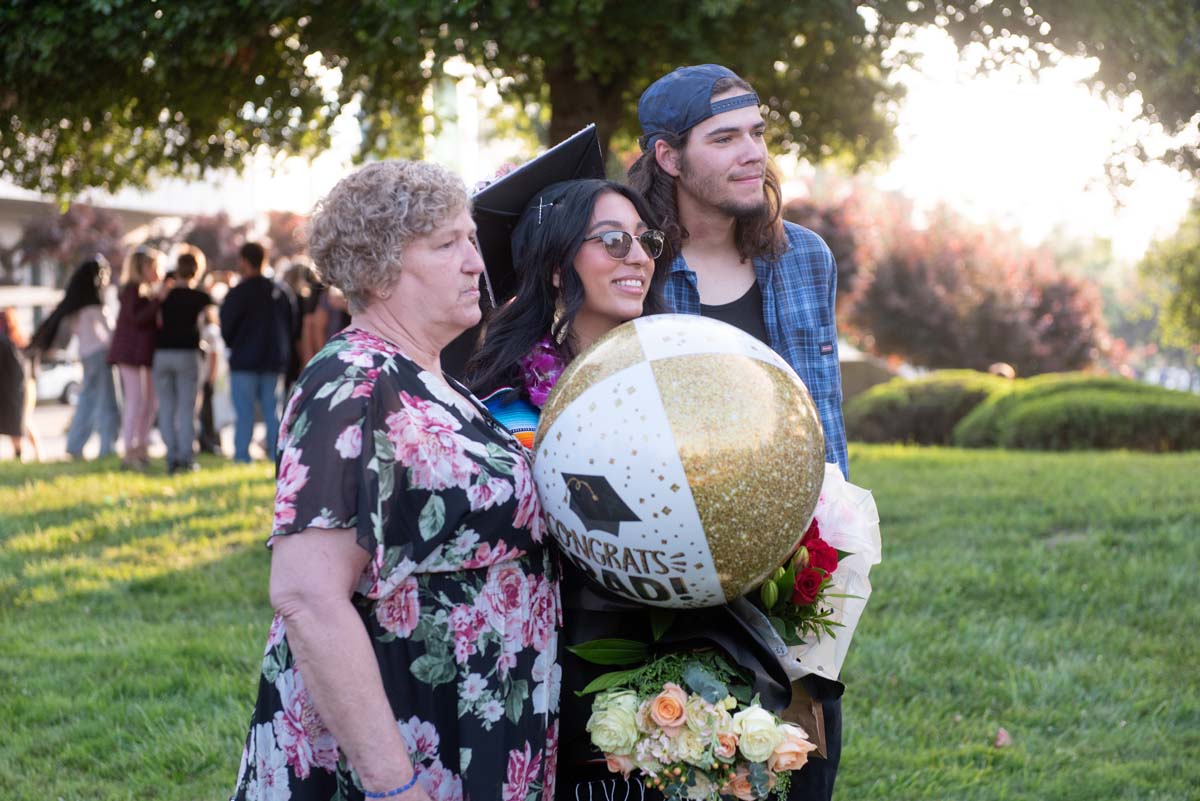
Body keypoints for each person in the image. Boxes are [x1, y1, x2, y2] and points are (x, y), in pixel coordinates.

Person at [229, 160, 558, 801]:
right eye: (446, 245)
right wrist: (393, 785)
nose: (475, 263)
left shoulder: (433, 378)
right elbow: (309, 596)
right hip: (407, 745)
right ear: (379, 269)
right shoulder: (352, 382)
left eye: (471, 240)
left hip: (475, 722)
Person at [629, 63, 850, 800]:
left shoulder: (803, 259)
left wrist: (834, 554)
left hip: (796, 572)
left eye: (757, 132)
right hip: (669, 576)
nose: (752, 151)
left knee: (805, 769)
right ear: (668, 156)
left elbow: (826, 429)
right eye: (724, 138)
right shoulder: (637, 272)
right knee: (689, 774)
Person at [466, 178, 669, 445]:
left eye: (645, 239)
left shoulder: (673, 374)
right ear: (557, 269)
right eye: (614, 240)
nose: (641, 257)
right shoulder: (511, 418)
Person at [29, 257, 120, 460]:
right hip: (101, 356)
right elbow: (110, 334)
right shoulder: (95, 306)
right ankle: (107, 447)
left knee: (88, 400)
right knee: (108, 402)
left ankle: (75, 445)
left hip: (86, 355)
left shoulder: (76, 306)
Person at [219, 242, 294, 463]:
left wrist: (234, 344)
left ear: (243, 260)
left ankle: (242, 456)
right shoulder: (279, 292)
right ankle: (274, 454)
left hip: (244, 359)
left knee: (244, 412)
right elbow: (292, 324)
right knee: (272, 411)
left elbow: (227, 326)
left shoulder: (239, 293)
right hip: (273, 359)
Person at [151, 246, 214, 473]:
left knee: (166, 408)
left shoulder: (163, 295)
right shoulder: (200, 297)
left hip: (161, 353)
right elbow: (212, 324)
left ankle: (172, 456)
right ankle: (186, 457)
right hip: (187, 352)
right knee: (187, 408)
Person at [109, 246, 164, 470]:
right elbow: (137, 318)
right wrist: (158, 301)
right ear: (143, 268)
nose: (158, 272)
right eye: (154, 267)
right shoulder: (132, 291)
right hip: (130, 353)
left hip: (145, 354)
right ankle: (129, 449)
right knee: (135, 401)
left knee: (150, 401)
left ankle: (141, 445)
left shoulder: (147, 292)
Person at [0, 307, 40, 461]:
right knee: (24, 420)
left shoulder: (5, 343)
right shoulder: (21, 341)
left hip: (16, 390)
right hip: (28, 387)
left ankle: (20, 454)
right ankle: (36, 453)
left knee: (19, 421)